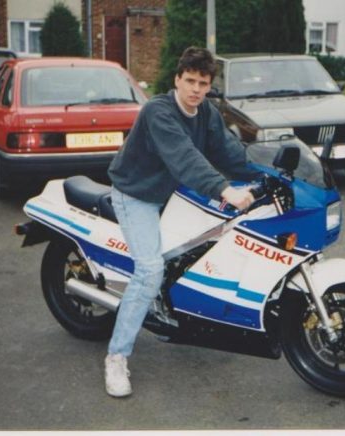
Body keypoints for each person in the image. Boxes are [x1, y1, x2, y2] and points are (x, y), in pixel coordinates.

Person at [104, 46, 259, 397]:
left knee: (214, 243)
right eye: (189, 81)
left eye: (203, 83)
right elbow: (184, 157)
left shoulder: (206, 112)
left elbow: (228, 152)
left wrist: (269, 171)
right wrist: (223, 189)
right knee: (149, 270)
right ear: (177, 79)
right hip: (137, 195)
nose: (196, 89)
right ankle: (116, 357)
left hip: (174, 193)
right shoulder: (158, 111)